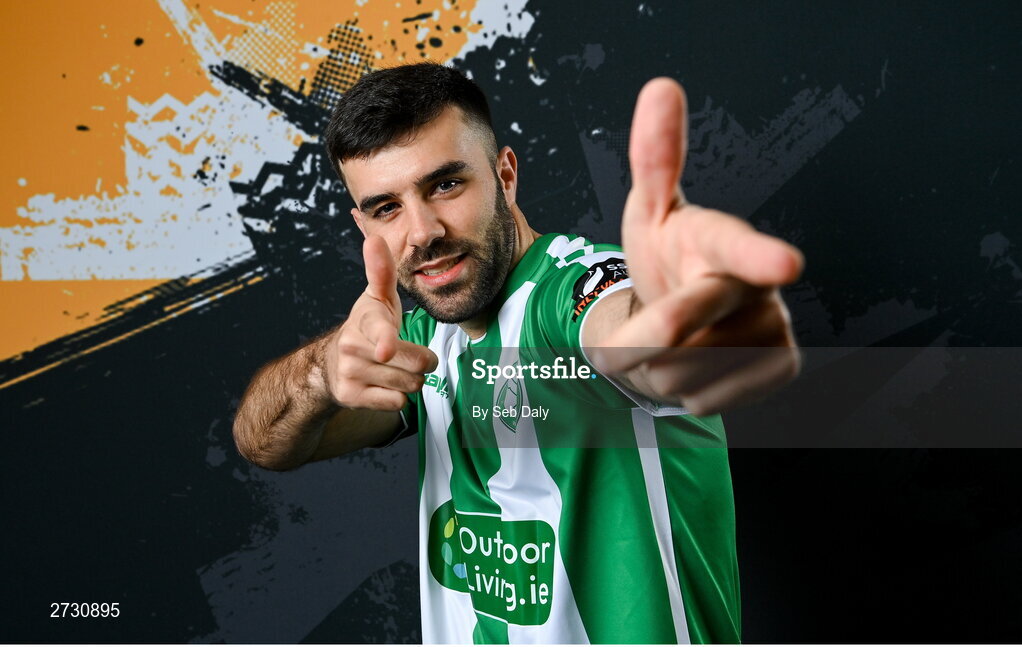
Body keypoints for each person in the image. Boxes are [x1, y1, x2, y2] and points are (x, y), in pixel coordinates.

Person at [233, 63, 802, 644]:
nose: (422, 231)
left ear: (505, 175)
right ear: (363, 225)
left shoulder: (569, 292)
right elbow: (265, 442)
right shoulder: (423, 345)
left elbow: (630, 336)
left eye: (446, 185)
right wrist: (324, 371)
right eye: (387, 208)